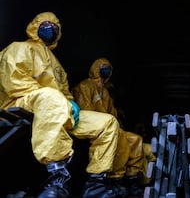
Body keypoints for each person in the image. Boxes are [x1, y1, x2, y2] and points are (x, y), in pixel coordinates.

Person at [0, 12, 128, 198]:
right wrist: (56, 99)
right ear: (35, 26)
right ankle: (57, 177)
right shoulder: (19, 48)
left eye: (55, 28)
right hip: (22, 100)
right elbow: (15, 83)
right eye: (45, 25)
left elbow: (65, 92)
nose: (50, 29)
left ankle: (97, 182)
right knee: (50, 97)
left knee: (107, 122)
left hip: (57, 108)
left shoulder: (56, 63)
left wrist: (69, 103)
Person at [72, 57, 145, 196]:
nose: (106, 70)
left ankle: (128, 180)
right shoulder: (85, 86)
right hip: (90, 124)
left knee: (134, 139)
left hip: (108, 125)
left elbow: (113, 115)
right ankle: (98, 181)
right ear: (95, 68)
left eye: (108, 68)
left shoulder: (105, 92)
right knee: (115, 132)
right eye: (102, 67)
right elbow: (84, 109)